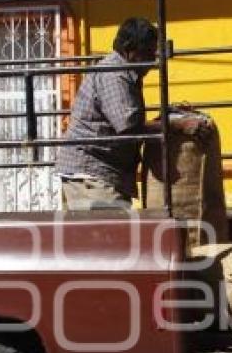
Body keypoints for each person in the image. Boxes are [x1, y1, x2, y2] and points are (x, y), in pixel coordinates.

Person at [55, 17, 157, 211]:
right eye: (148, 53)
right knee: (109, 237)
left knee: (100, 237)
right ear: (130, 50)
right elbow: (128, 126)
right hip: (93, 174)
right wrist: (170, 126)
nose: (152, 62)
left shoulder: (124, 72)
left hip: (98, 173)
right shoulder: (115, 74)